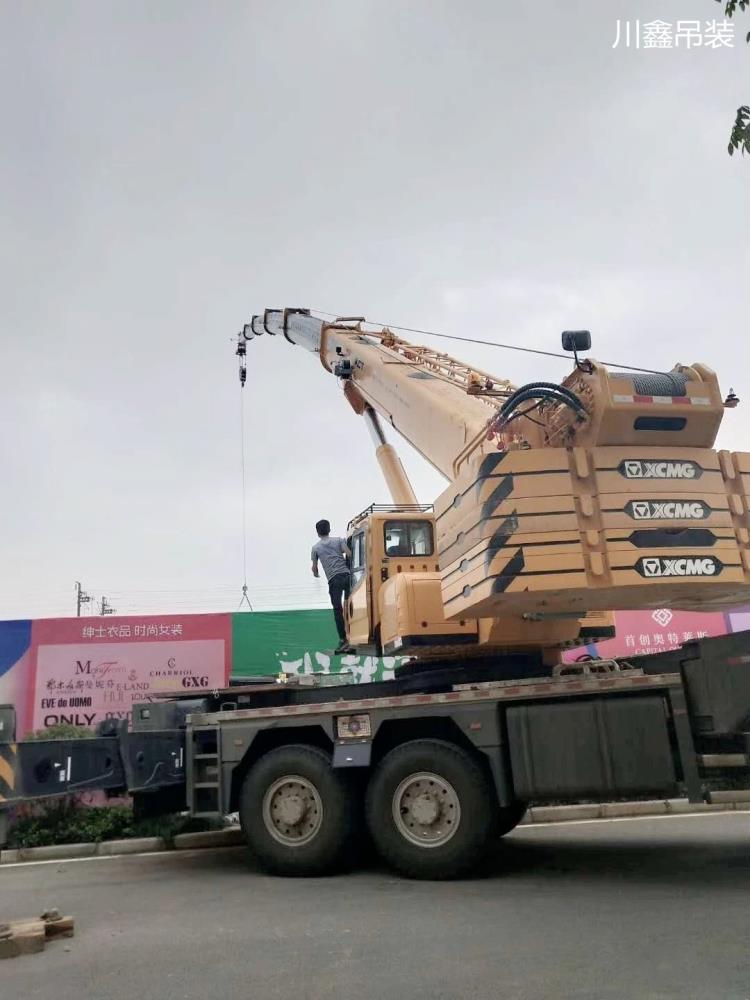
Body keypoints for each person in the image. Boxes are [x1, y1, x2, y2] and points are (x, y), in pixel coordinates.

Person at [311, 519, 354, 654]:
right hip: (347, 576)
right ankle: (354, 634)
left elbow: (314, 568)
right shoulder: (339, 540)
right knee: (350, 606)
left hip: (334, 581)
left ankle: (343, 639)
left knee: (338, 609)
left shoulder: (316, 548)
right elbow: (350, 555)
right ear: (329, 529)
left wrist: (316, 574)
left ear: (318, 532)